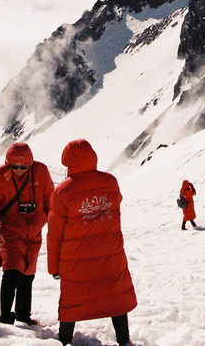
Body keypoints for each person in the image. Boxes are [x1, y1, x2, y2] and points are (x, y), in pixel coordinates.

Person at [48, 139, 137, 346]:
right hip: (110, 255)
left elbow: (55, 234)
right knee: (116, 296)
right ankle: (124, 340)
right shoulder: (111, 182)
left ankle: (63, 341)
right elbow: (116, 202)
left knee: (72, 300)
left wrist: (54, 267)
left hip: (75, 260)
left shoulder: (63, 191)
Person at [0, 142, 55, 325]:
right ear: (8, 163)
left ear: (30, 163)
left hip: (34, 231)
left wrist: (48, 222)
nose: (19, 170)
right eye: (15, 166)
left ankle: (23, 315)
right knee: (12, 270)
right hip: (10, 230)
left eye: (24, 167)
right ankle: (6, 316)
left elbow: (50, 200)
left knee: (28, 274)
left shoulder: (41, 172)